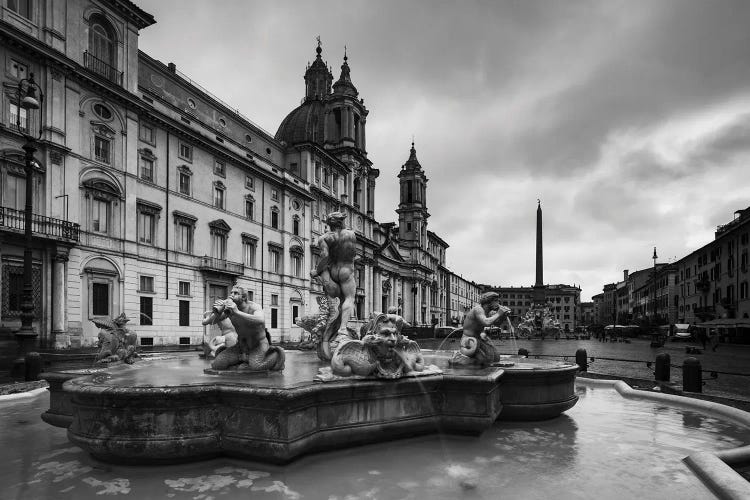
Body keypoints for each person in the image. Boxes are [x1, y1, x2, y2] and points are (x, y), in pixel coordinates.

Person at [203, 286, 284, 371]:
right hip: (241, 346)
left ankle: (276, 355)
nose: (232, 295)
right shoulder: (229, 310)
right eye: (231, 293)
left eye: (236, 293)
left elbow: (260, 320)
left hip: (257, 345)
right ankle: (243, 360)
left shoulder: (253, 307)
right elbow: (208, 321)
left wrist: (237, 312)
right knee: (217, 364)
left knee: (256, 366)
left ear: (244, 297)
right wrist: (217, 312)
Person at [310, 212, 358, 353]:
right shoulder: (351, 235)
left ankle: (329, 335)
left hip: (333, 272)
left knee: (335, 304)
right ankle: (342, 330)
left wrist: (317, 271)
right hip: (346, 270)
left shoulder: (324, 238)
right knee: (349, 298)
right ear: (341, 221)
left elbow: (325, 257)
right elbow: (351, 254)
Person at [457, 292, 511, 366]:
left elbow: (497, 323)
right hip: (468, 339)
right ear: (488, 302)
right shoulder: (478, 309)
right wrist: (499, 313)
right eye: (496, 301)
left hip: (479, 338)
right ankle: (476, 371)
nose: (498, 303)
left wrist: (503, 316)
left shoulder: (488, 311)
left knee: (496, 357)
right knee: (485, 359)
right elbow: (486, 322)